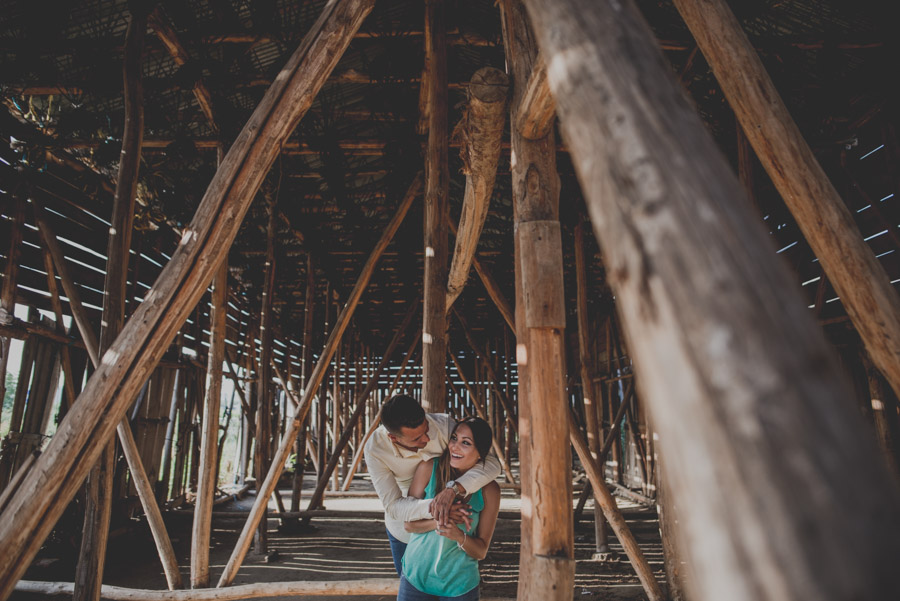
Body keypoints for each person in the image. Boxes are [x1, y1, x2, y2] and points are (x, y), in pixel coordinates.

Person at [364, 395, 501, 575]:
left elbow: (491, 464)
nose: (426, 439)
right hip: (406, 528)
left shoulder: (443, 425)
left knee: (452, 580)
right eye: (416, 439)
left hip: (449, 531)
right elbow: (394, 507)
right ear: (393, 438)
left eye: (426, 430)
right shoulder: (375, 450)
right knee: (410, 581)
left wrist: (453, 490)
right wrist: (440, 508)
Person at [399, 417, 501, 601]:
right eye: (454, 438)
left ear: (481, 453)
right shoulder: (429, 468)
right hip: (416, 577)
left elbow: (481, 551)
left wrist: (459, 536)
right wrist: (439, 522)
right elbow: (408, 525)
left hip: (460, 585)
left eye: (466, 443)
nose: (455, 446)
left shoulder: (490, 490)